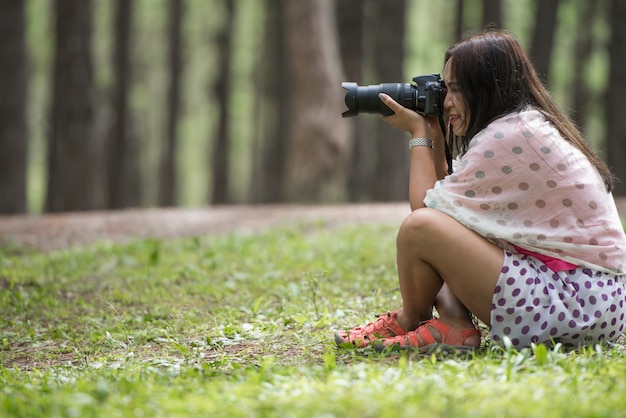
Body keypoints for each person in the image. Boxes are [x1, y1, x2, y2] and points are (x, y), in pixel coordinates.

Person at [335, 29, 626, 352]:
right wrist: (435, 129)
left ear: (487, 88)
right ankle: (453, 326)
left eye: (457, 91)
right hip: (594, 303)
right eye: (445, 90)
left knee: (420, 227)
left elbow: (425, 214)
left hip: (575, 303)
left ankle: (408, 320)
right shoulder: (524, 126)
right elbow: (450, 207)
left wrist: (418, 133)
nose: (446, 102)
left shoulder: (510, 136)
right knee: (451, 226)